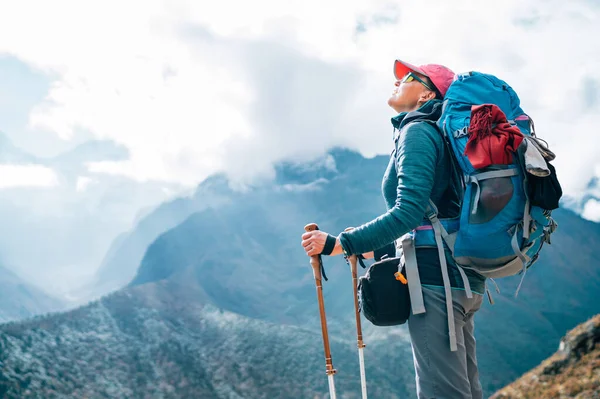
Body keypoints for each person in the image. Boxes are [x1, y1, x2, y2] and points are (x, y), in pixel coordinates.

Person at [301, 59, 486, 399]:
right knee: (465, 391)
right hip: (461, 278)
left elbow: (408, 211)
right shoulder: (441, 137)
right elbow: (435, 215)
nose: (398, 80)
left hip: (436, 281)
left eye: (409, 77)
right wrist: (381, 250)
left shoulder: (417, 132)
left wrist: (340, 243)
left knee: (442, 393)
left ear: (426, 94)